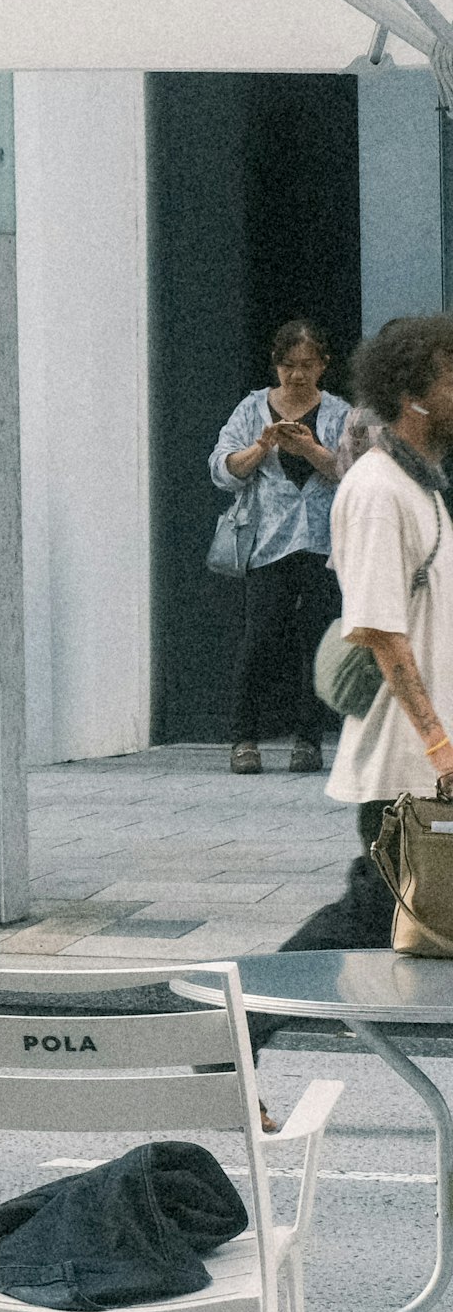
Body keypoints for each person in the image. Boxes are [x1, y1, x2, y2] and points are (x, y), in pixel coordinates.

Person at [280, 316, 453, 954]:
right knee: (370, 915)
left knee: (386, 917)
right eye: (452, 377)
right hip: (405, 766)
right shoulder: (379, 489)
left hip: (424, 763)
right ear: (413, 396)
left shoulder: (421, 489)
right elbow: (381, 632)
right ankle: (228, 1021)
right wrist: (439, 745)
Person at [211, 318, 351, 774]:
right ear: (276, 364)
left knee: (315, 638)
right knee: (261, 638)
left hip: (321, 543)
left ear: (323, 366)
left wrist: (311, 449)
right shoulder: (252, 409)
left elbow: (354, 473)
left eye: (307, 365)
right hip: (267, 543)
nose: (296, 375)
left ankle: (308, 740)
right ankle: (243, 738)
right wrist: (261, 446)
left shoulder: (338, 413)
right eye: (288, 365)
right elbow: (222, 468)